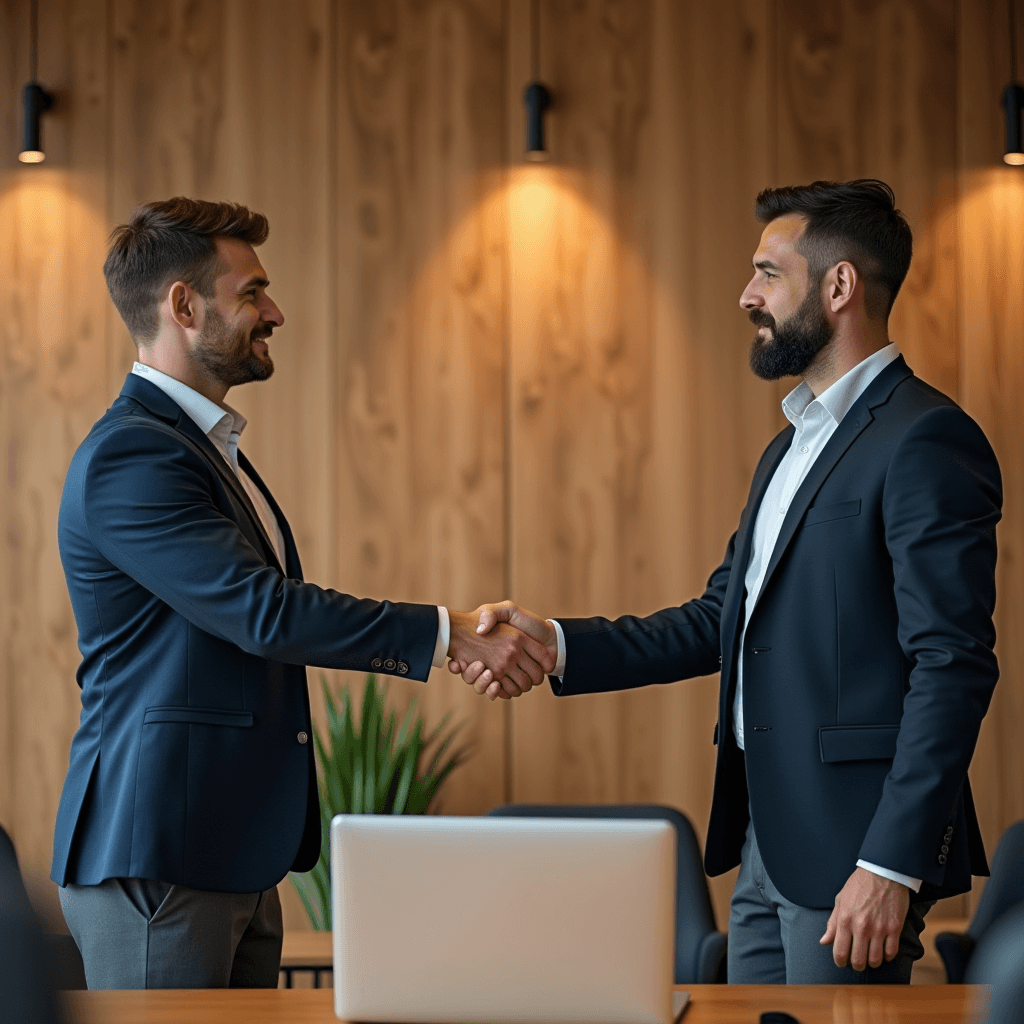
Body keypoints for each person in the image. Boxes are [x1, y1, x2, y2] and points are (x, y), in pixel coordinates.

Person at [452, 180, 1002, 984]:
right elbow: (721, 619)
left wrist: (890, 866)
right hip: (761, 849)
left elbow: (952, 664)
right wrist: (558, 644)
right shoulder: (787, 449)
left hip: (855, 855)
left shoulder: (926, 438)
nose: (748, 295)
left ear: (839, 285)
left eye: (767, 273)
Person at [51, 198, 553, 990]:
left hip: (229, 855)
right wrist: (448, 632)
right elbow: (264, 613)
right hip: (160, 858)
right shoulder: (134, 457)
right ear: (185, 305)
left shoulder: (199, 447)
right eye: (252, 292)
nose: (274, 311)